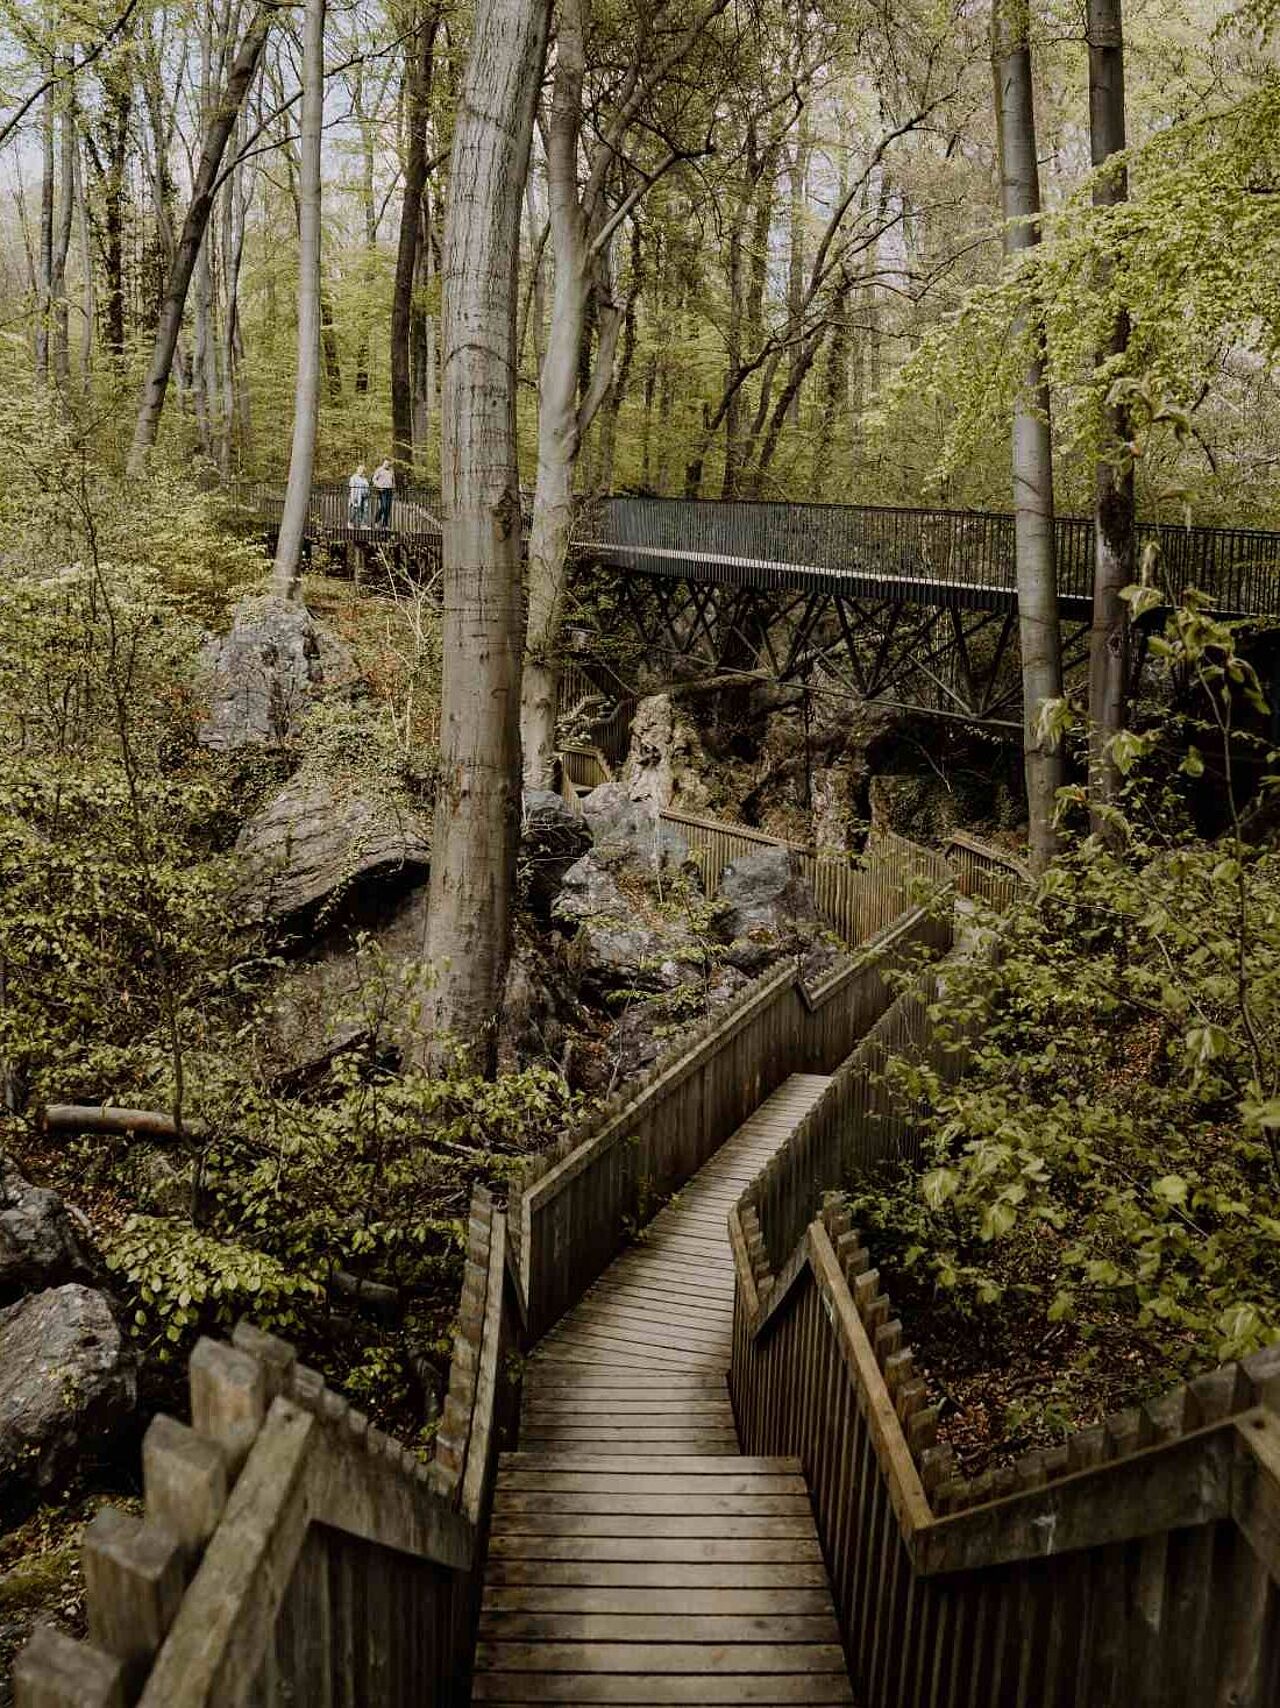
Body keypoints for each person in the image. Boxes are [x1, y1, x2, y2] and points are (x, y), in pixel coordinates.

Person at [372, 458, 395, 528]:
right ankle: (376, 519)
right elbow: (374, 479)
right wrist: (379, 486)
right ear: (383, 463)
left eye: (388, 464)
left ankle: (385, 524)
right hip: (382, 490)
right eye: (385, 463)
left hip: (389, 490)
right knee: (383, 506)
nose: (386, 465)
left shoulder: (391, 471)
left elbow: (393, 480)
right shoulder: (379, 470)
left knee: (388, 508)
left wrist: (393, 486)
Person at [348, 463, 370, 527]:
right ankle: (350, 523)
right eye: (360, 469)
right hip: (356, 497)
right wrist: (353, 499)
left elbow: (367, 487)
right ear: (357, 470)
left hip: (364, 497)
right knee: (355, 510)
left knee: (364, 510)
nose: (361, 471)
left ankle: (363, 524)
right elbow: (352, 488)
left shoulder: (364, 479)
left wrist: (367, 493)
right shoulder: (353, 478)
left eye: (363, 470)